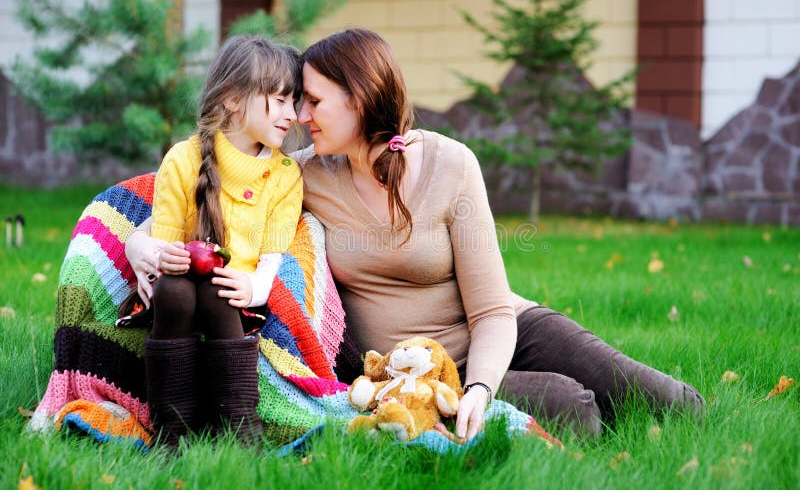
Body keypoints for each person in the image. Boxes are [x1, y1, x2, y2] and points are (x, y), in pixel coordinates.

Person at [128, 27, 703, 444]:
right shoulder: (302, 174)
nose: (301, 114)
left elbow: (493, 312)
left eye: (314, 100)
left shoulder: (452, 164)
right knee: (574, 408)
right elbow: (210, 190)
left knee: (652, 394)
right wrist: (138, 243)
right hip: (410, 366)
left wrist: (479, 388)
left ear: (357, 99)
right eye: (295, 101)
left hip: (503, 327)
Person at [136, 35, 303, 447]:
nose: (292, 115)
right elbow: (164, 240)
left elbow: (271, 259)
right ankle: (171, 431)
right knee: (176, 291)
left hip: (235, 301)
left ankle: (239, 429)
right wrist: (160, 258)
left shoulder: (284, 176)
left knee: (218, 291)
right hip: (177, 295)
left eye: (293, 102)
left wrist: (253, 288)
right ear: (231, 98)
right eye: (279, 100)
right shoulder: (184, 159)